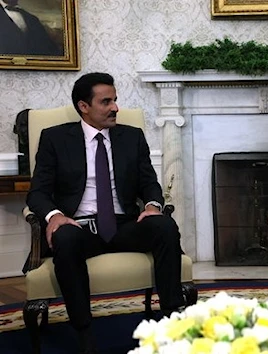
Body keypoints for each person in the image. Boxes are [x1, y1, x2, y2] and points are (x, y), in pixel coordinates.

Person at [25, 72, 184, 353]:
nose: (115, 108)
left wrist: (151, 206)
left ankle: (172, 317)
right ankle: (84, 331)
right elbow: (37, 192)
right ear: (83, 106)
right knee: (64, 238)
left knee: (165, 227)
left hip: (124, 224)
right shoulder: (55, 139)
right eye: (106, 102)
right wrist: (55, 216)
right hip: (80, 226)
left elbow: (149, 182)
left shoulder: (131, 137)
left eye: (115, 100)